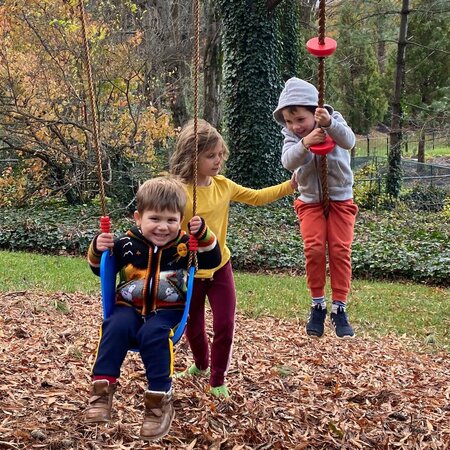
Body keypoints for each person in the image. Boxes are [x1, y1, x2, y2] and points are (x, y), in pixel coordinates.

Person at [85, 176, 221, 441]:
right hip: (128, 307)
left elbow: (212, 259)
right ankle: (101, 392)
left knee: (154, 334)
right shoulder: (125, 244)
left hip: (169, 311)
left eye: (171, 220)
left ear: (180, 220)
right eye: (155, 218)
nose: (162, 226)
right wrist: (97, 248)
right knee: (114, 326)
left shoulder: (185, 246)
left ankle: (159, 401)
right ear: (138, 218)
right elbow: (99, 268)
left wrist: (203, 234)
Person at [170, 119, 296, 398]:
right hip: (189, 271)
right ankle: (201, 366)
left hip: (219, 267)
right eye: (210, 155)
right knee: (193, 327)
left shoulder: (223, 186)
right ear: (192, 156)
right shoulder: (177, 191)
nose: (218, 161)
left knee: (225, 324)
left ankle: (217, 380)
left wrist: (290, 185)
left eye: (220, 155)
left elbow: (257, 197)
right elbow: (160, 219)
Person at [273, 77, 358, 339]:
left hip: (340, 199)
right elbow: (288, 161)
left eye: (300, 119)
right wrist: (306, 142)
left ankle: (339, 308)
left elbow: (349, 141)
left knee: (340, 250)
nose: (294, 126)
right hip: (310, 201)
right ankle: (318, 305)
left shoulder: (334, 120)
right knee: (314, 249)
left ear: (315, 111)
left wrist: (329, 124)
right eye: (289, 121)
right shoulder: (292, 136)